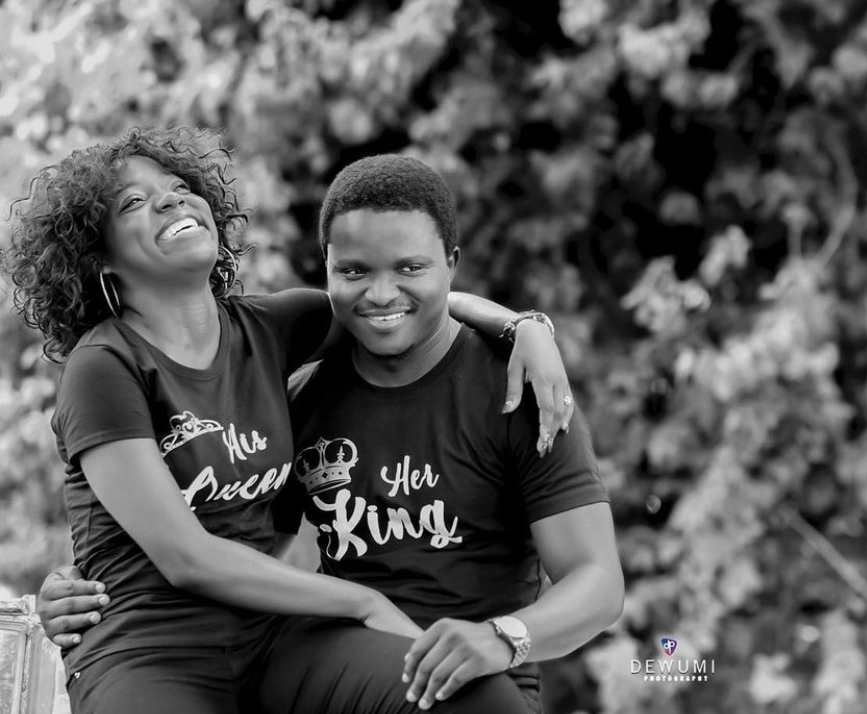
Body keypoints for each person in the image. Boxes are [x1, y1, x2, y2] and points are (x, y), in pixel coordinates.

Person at [3, 126, 572, 714]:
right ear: (99, 257)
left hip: (271, 639)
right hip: (147, 649)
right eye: (133, 203)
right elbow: (187, 558)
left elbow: (399, 299)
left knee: (470, 695)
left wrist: (523, 326)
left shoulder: (268, 329)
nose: (169, 200)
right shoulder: (103, 365)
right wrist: (360, 602)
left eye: (178, 187)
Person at [273, 154, 624, 713]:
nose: (381, 294)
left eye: (410, 268)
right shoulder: (301, 398)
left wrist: (500, 637)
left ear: (451, 264)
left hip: (479, 690)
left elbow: (598, 584)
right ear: (328, 268)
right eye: (354, 271)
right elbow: (246, 558)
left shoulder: (521, 391)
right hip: (346, 685)